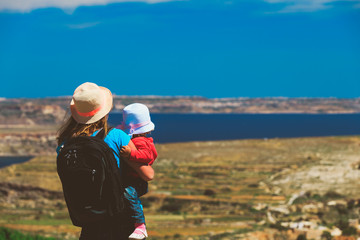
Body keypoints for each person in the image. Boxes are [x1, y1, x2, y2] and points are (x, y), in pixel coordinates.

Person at [56, 82, 154, 240]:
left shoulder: (65, 144)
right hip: (119, 218)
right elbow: (147, 174)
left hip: (88, 219)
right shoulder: (116, 136)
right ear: (104, 111)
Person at [118, 103, 157, 240]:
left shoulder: (141, 141)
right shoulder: (138, 139)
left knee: (128, 194)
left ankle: (140, 225)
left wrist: (130, 155)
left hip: (136, 181)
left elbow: (149, 156)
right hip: (133, 178)